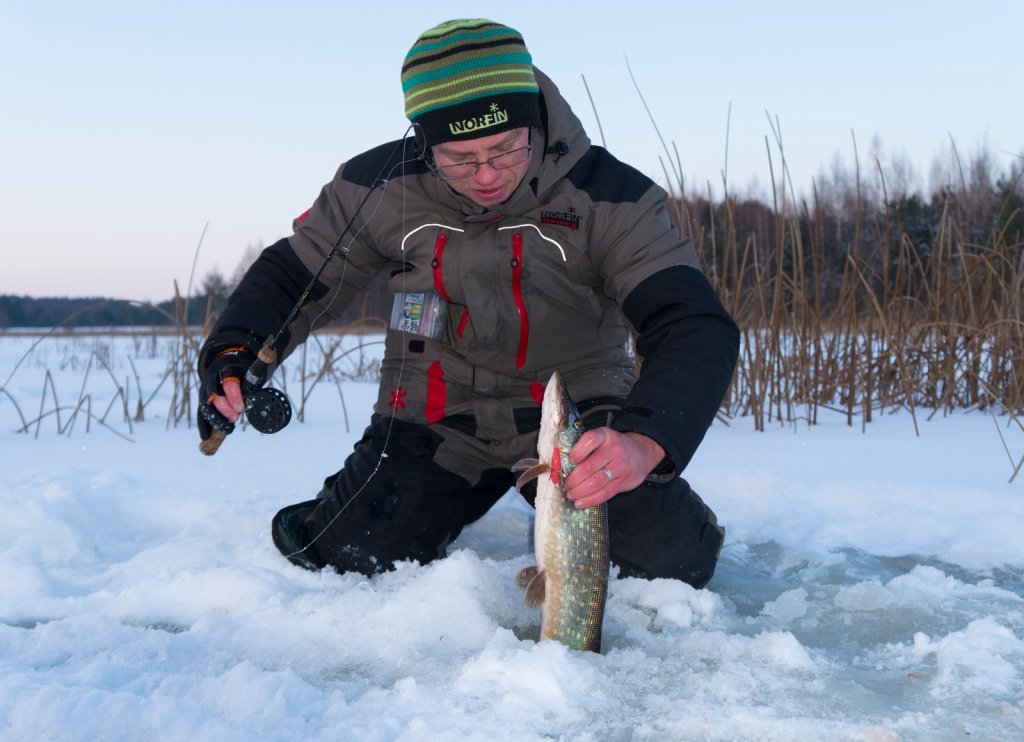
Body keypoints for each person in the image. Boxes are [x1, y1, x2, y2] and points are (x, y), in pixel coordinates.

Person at [197, 19, 739, 588]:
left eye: (505, 149)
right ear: (424, 140)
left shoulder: (611, 196)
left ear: (533, 116)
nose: (485, 175)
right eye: (458, 157)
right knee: (351, 558)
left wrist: (644, 441)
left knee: (670, 567)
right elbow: (293, 273)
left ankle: (681, 519)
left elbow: (693, 324)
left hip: (571, 415)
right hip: (433, 413)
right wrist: (231, 354)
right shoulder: (376, 189)